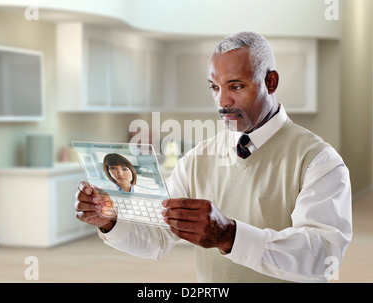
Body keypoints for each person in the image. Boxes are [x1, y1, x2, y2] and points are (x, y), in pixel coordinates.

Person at [74, 31, 352, 283]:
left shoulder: (319, 161)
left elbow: (323, 257)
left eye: (236, 86)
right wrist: (111, 221)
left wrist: (230, 236)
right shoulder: (197, 160)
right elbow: (157, 237)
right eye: (215, 87)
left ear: (270, 82)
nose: (222, 102)